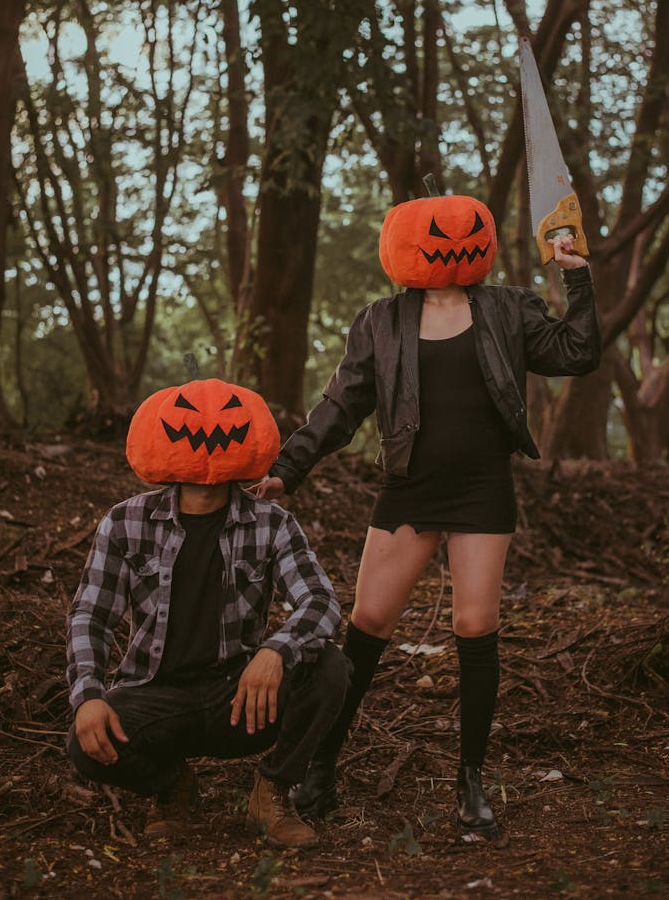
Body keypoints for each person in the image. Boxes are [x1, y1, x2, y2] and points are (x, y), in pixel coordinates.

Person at [254, 193, 601, 840]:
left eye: (467, 230)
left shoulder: (508, 307)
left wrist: (574, 273)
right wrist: (289, 464)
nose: (452, 240)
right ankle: (319, 766)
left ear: (483, 239)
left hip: (481, 486)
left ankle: (470, 782)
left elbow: (577, 352)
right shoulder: (380, 322)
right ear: (405, 246)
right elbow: (340, 405)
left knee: (475, 624)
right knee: (369, 621)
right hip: (410, 486)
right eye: (437, 234)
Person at [66, 376, 350, 848]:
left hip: (238, 699)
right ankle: (170, 785)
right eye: (183, 413)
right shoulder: (124, 522)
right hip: (155, 697)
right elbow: (90, 617)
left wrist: (276, 650)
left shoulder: (272, 522)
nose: (207, 428)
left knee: (329, 666)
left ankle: (272, 789)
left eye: (228, 413)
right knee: (85, 744)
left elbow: (321, 601)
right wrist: (88, 694)